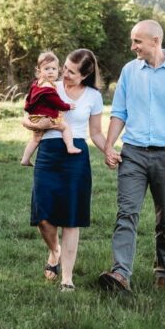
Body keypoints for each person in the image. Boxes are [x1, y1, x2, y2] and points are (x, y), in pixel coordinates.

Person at [99, 20, 165, 294]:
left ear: (155, 41)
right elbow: (119, 112)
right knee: (126, 213)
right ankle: (120, 275)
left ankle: (163, 270)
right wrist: (109, 146)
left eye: (137, 42)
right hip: (132, 154)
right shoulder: (130, 72)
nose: (133, 47)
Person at [23, 49, 108, 291]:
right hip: (48, 152)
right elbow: (26, 117)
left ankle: (67, 278)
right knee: (42, 216)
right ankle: (54, 251)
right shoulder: (49, 85)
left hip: (76, 156)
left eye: (71, 71)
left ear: (86, 74)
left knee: (71, 219)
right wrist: (39, 123)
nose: (64, 73)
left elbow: (96, 133)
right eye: (65, 68)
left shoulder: (93, 96)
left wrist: (109, 151)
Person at [20, 51, 81, 166]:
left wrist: (29, 111)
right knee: (65, 127)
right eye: (46, 69)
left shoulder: (36, 84)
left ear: (58, 70)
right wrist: (67, 106)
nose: (51, 72)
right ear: (39, 71)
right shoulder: (48, 87)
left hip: (35, 117)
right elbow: (57, 102)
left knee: (35, 139)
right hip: (46, 118)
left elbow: (29, 99)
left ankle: (25, 158)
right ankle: (70, 146)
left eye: (54, 69)